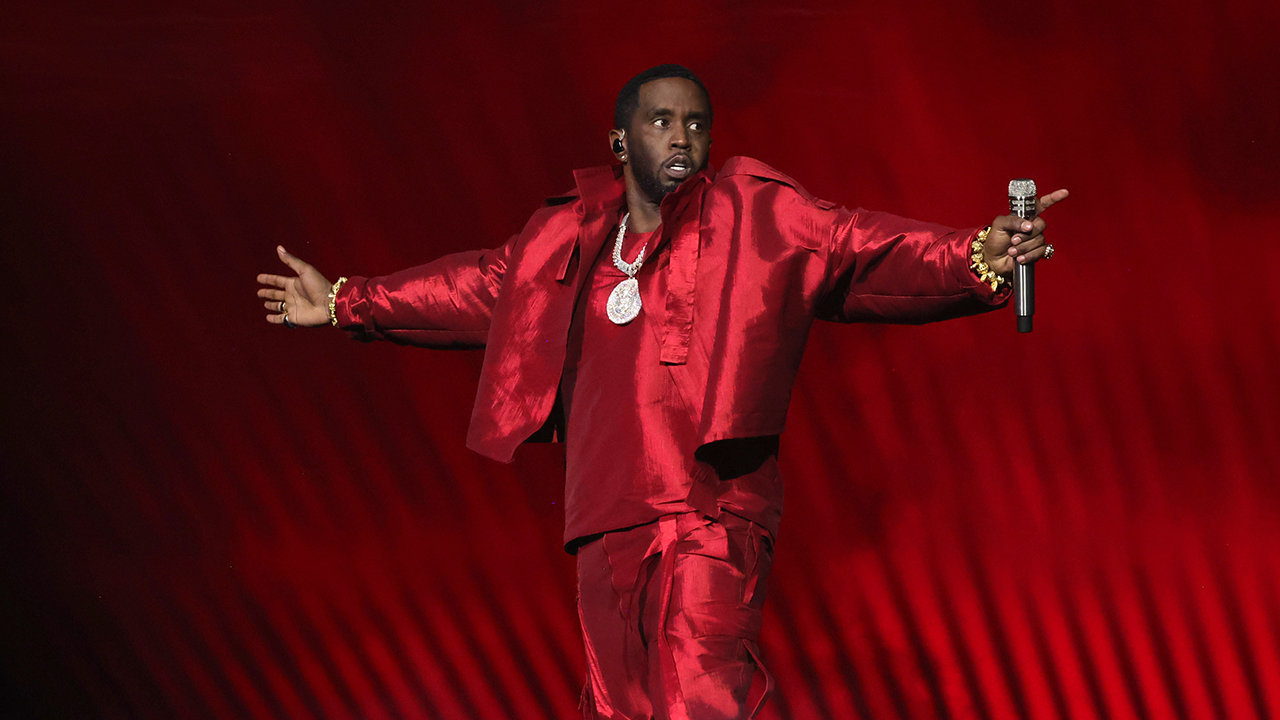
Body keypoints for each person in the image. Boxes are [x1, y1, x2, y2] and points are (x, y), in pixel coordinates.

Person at [256, 64, 1067, 720]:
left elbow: (858, 245)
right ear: (620, 140)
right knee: (620, 710)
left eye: (695, 123)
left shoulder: (751, 216)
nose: (683, 136)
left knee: (699, 700)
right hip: (601, 518)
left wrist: (976, 253)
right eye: (661, 121)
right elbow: (473, 287)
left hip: (707, 509)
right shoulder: (561, 241)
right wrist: (341, 301)